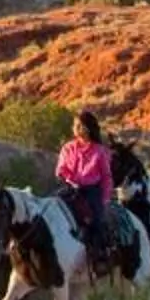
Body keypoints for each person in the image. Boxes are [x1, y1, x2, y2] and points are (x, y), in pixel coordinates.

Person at [57, 110, 116, 267]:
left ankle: (100, 256)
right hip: (71, 189)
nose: (75, 128)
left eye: (79, 125)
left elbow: (106, 177)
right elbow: (61, 170)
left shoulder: (99, 151)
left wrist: (105, 198)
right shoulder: (68, 148)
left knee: (96, 221)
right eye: (74, 125)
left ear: (87, 128)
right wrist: (70, 180)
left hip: (92, 191)